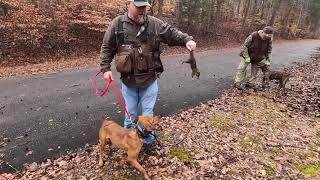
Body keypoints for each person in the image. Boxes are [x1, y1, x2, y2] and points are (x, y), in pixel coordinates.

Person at [99, 0, 196, 145]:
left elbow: (172, 33)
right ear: (129, 5)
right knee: (130, 114)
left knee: (148, 114)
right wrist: (105, 68)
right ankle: (129, 142)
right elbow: (107, 47)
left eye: (144, 7)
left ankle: (148, 142)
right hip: (128, 80)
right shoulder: (117, 24)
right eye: (138, 7)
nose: (142, 10)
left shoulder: (155, 24)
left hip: (150, 80)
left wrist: (187, 40)